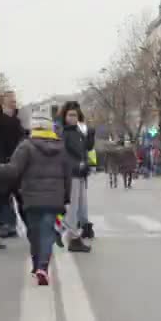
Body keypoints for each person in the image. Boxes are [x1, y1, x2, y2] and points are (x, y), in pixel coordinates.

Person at [0, 115, 71, 285]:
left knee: (34, 232)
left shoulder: (26, 146)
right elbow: (67, 176)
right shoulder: (61, 148)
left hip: (31, 198)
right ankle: (42, 266)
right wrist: (66, 198)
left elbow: (13, 170)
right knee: (47, 232)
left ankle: (38, 266)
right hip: (54, 199)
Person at [0, 91, 25, 241]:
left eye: (14, 100)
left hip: (17, 162)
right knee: (3, 195)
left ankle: (14, 224)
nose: (14, 102)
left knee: (19, 194)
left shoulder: (16, 121)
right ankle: (5, 225)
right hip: (1, 161)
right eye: (11, 100)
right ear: (2, 102)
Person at [60, 101, 93, 252]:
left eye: (75, 115)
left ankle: (75, 233)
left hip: (80, 174)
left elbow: (85, 149)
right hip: (72, 174)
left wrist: (85, 165)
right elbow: (64, 155)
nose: (73, 118)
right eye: (70, 115)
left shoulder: (78, 131)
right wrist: (76, 165)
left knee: (80, 205)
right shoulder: (65, 133)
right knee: (72, 207)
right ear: (65, 116)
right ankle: (73, 237)